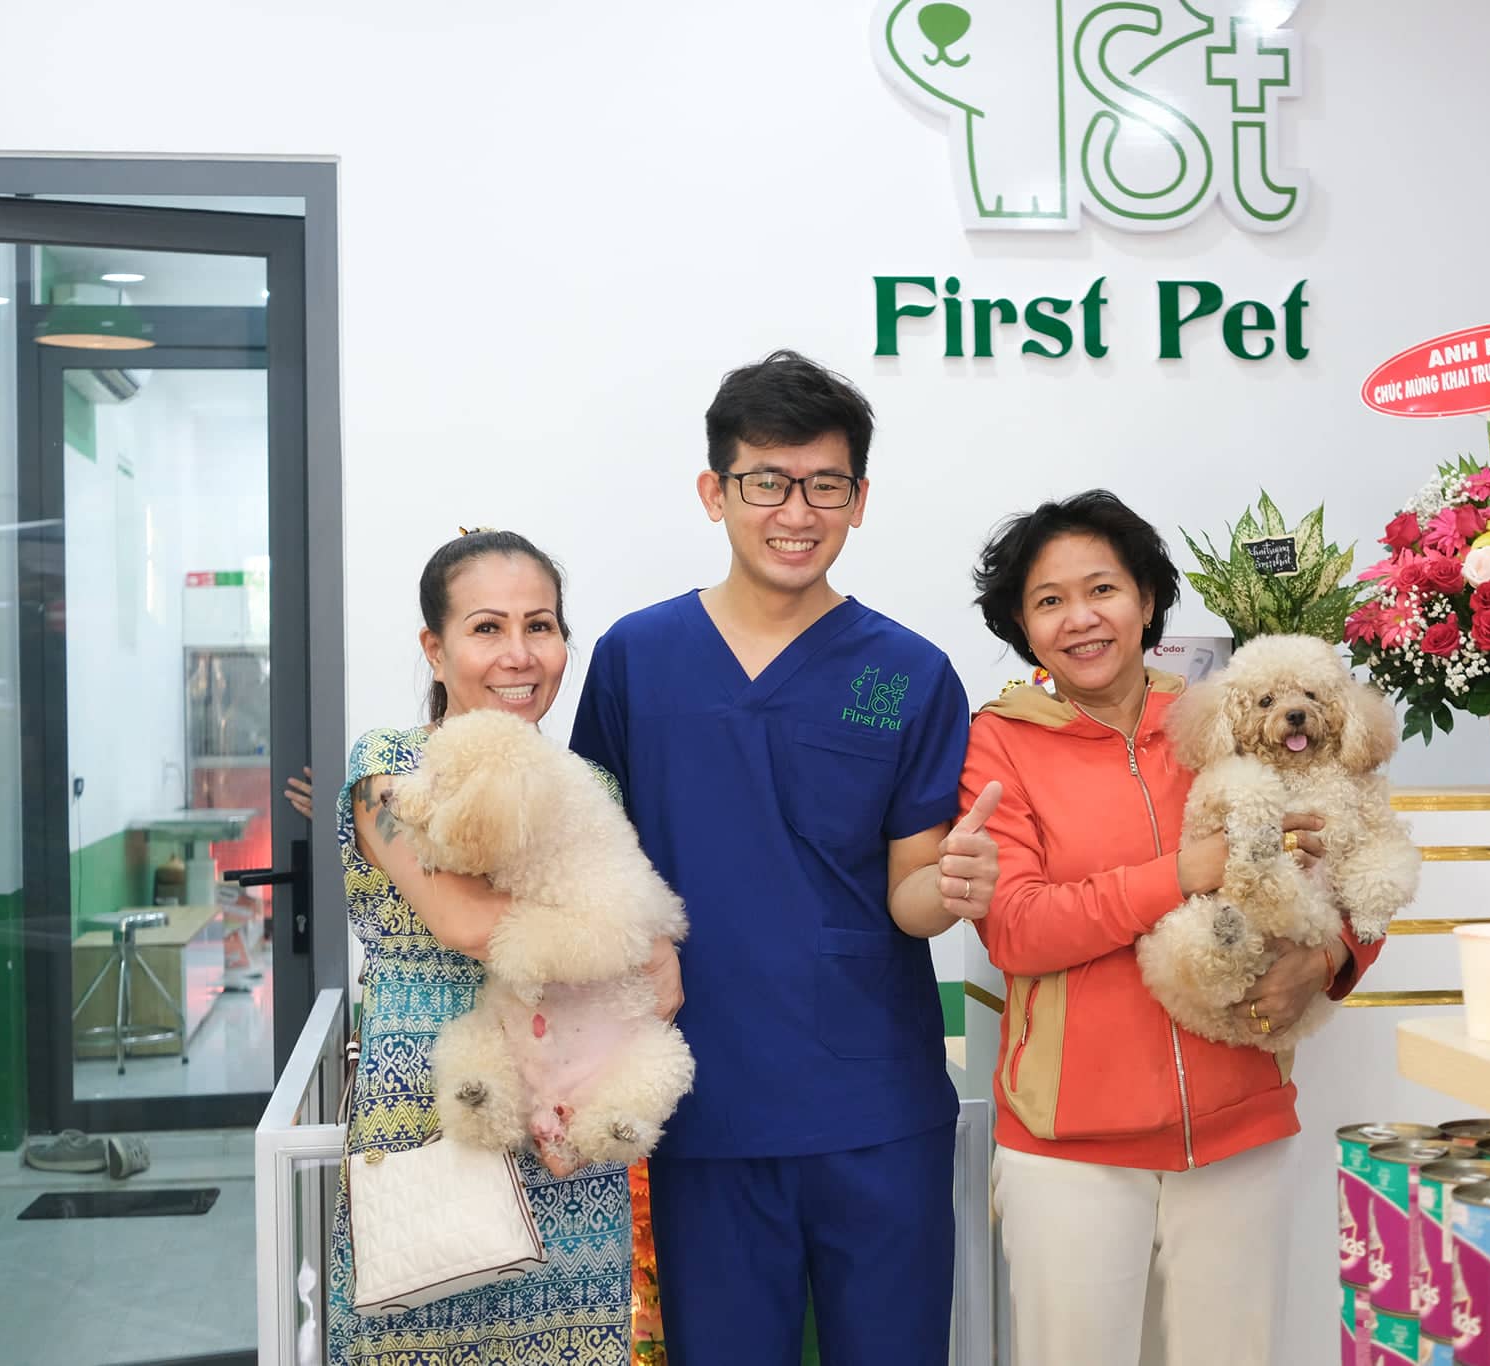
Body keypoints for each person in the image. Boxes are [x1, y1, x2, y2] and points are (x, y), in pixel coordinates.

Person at [570, 350, 997, 1366]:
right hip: (701, 1101)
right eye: (767, 481)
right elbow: (587, 854)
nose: (796, 512)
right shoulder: (637, 658)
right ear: (714, 490)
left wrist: (951, 888)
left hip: (874, 1105)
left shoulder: (907, 673)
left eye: (825, 485)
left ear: (859, 500)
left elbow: (908, 893)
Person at [961, 490, 1384, 1366]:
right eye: (1049, 601)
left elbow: (1345, 844)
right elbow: (1017, 928)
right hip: (1070, 1147)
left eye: (1103, 589)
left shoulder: (1230, 717)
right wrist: (1183, 873)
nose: (1082, 618)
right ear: (1022, 625)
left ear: (1147, 598)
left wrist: (1330, 956)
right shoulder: (999, 743)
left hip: (1239, 1130)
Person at [326, 529, 679, 1366]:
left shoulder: (592, 785)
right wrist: (633, 939)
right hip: (434, 1117)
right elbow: (464, 922)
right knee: (417, 1338)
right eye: (487, 627)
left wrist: (641, 945)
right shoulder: (390, 770)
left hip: (570, 1138)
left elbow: (655, 966)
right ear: (435, 648)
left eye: (541, 626)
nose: (519, 654)